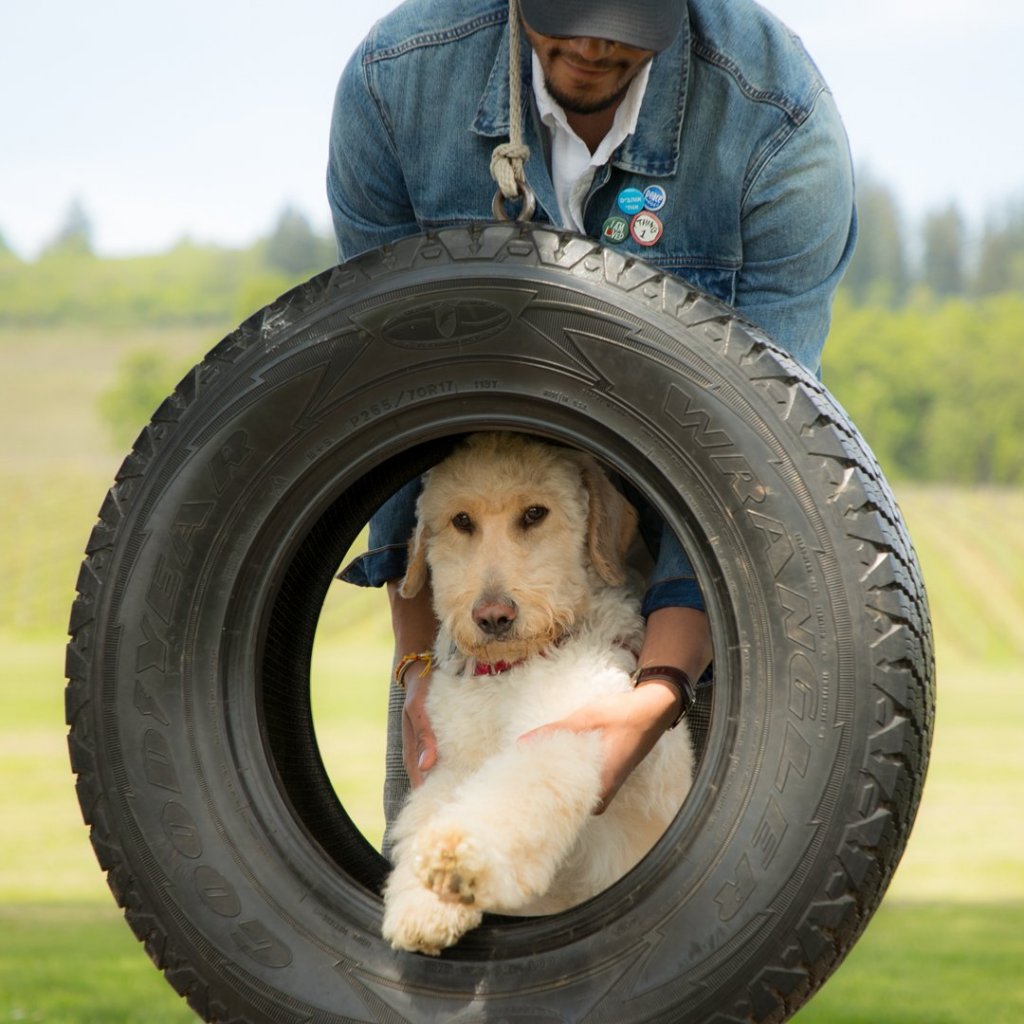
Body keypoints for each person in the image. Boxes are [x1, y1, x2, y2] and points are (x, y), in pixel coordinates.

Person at [327, 0, 856, 839]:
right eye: (566, 11)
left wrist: (657, 693)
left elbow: (759, 441)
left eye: (625, 17)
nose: (592, 43)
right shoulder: (398, 81)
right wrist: (421, 662)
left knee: (709, 934)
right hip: (481, 596)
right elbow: (394, 391)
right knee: (443, 905)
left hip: (709, 569)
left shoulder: (778, 119)